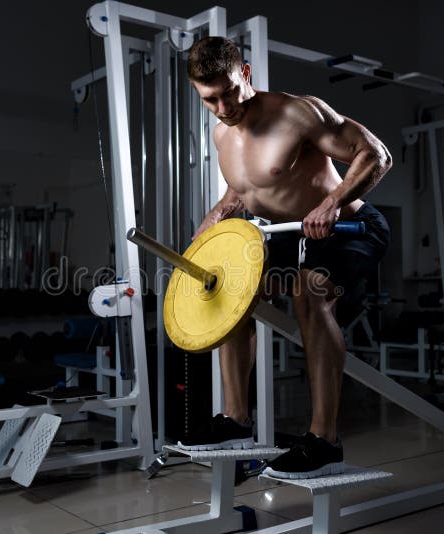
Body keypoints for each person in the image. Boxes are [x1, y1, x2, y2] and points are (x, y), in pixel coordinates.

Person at [176, 36, 392, 480]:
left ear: (246, 75)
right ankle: (235, 420)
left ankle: (324, 441)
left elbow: (376, 154)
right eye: (209, 99)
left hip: (348, 228)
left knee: (307, 294)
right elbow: (244, 191)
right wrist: (211, 222)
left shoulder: (297, 113)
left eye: (228, 93)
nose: (221, 108)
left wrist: (332, 202)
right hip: (288, 235)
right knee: (229, 289)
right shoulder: (222, 134)